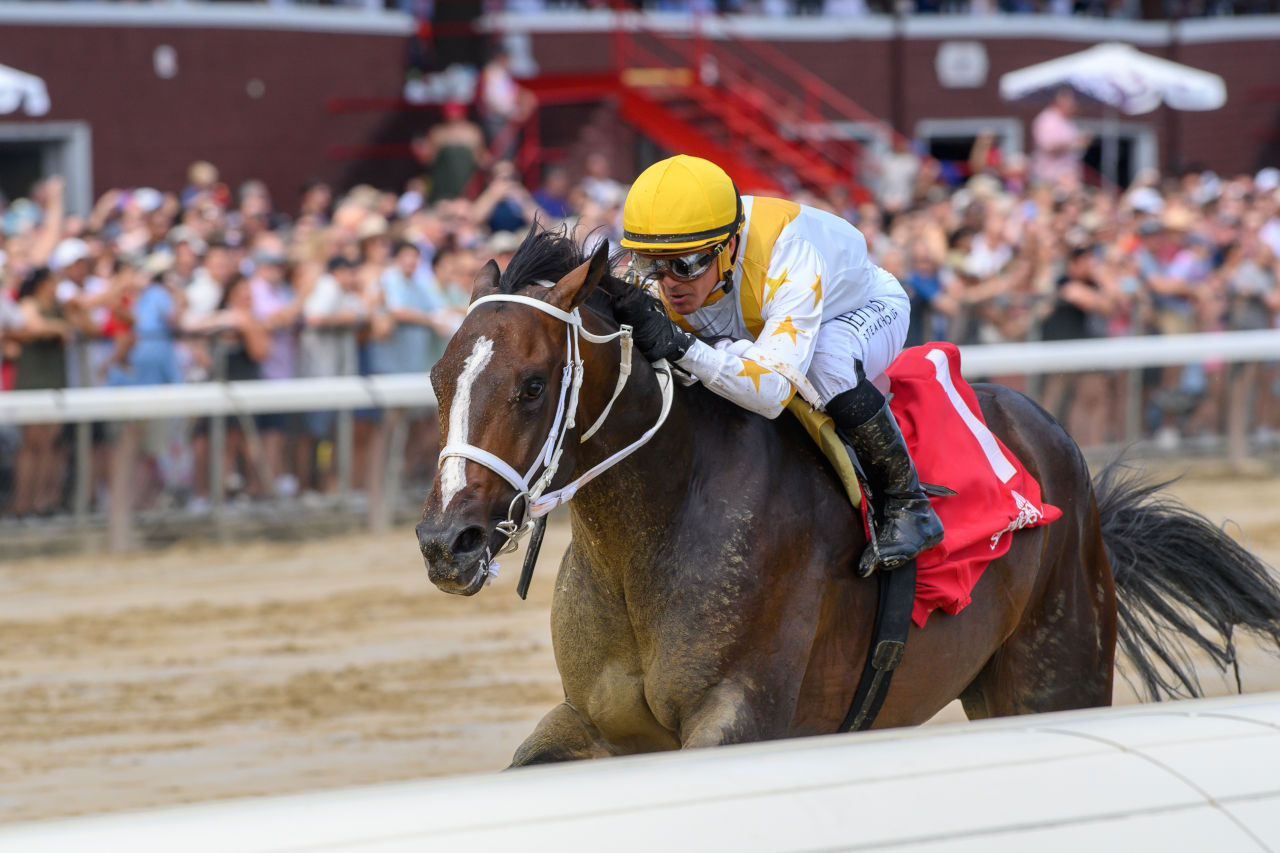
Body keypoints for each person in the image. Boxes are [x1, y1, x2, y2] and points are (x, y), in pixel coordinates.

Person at [604, 155, 943, 569]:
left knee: (825, 363)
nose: (669, 282)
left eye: (685, 264)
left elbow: (771, 391)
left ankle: (909, 504)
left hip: (859, 311)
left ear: (728, 245)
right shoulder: (675, 264)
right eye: (651, 264)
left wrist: (685, 347)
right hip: (759, 327)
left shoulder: (790, 254)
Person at [1031, 88, 1090, 190]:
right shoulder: (1047, 120)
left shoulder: (1067, 121)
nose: (1074, 106)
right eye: (1071, 103)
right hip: (1052, 177)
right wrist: (1073, 143)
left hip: (1068, 176)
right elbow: (1049, 147)